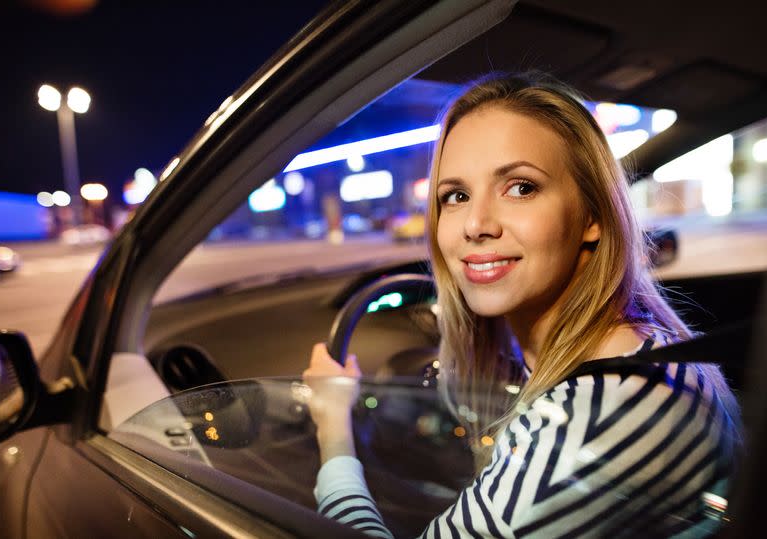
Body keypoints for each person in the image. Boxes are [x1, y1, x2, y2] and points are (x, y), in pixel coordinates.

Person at [303, 72, 740, 538]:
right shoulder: (636, 348)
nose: (475, 223)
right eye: (455, 196)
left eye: (521, 187)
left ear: (592, 215)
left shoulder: (602, 414)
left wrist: (333, 428)